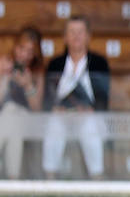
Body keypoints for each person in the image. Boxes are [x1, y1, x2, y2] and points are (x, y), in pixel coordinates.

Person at [41, 16, 110, 179]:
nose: (76, 36)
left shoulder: (99, 63)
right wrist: (57, 109)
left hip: (88, 116)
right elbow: (48, 97)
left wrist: (89, 110)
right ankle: (49, 182)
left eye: (80, 32)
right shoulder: (55, 64)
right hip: (61, 115)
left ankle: (97, 181)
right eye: (72, 32)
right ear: (64, 37)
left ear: (88, 36)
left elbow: (103, 97)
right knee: (54, 127)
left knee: (90, 129)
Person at [0, 27, 44, 179]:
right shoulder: (4, 63)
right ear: (15, 46)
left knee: (13, 112)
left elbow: (37, 110)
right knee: (12, 118)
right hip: (8, 120)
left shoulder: (37, 73)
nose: (24, 54)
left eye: (30, 51)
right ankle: (13, 181)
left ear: (35, 55)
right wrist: (3, 76)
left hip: (26, 121)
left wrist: (28, 86)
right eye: (21, 48)